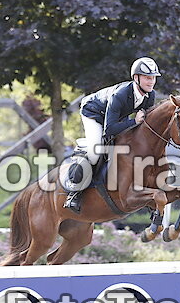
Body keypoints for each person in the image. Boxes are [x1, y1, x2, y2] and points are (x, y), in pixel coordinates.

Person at [62, 57, 161, 212]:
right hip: (94, 113)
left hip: (116, 116)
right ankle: (74, 193)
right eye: (147, 78)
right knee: (95, 151)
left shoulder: (150, 95)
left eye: (153, 78)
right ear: (136, 78)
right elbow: (109, 130)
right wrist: (134, 121)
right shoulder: (120, 95)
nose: (151, 82)